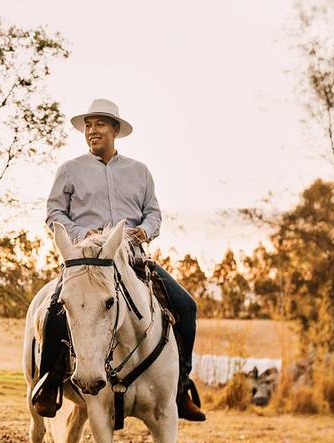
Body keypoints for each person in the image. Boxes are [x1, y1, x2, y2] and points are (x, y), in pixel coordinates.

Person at [33, 98, 206, 422]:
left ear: (115, 130)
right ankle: (51, 383)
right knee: (57, 310)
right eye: (88, 125)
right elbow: (54, 212)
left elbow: (153, 213)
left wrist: (144, 231)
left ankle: (181, 388)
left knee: (186, 307)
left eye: (99, 124)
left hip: (135, 262)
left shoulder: (139, 172)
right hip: (86, 262)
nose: (92, 130)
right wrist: (85, 233)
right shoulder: (69, 170)